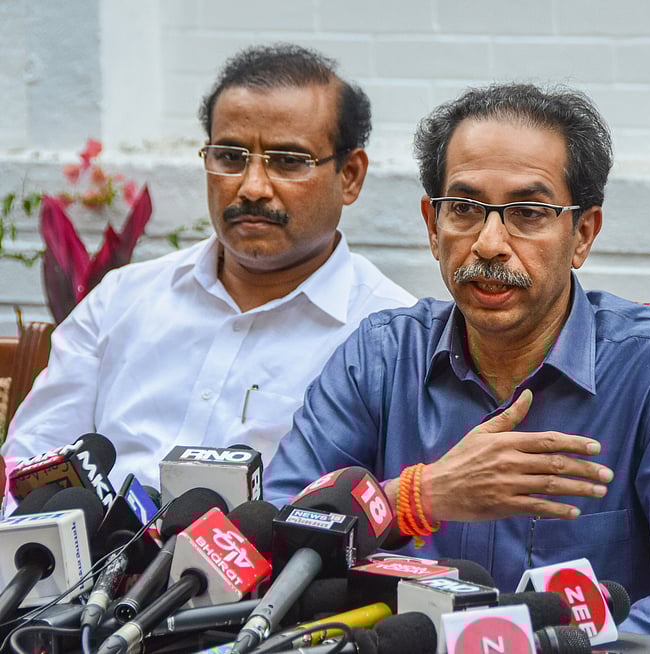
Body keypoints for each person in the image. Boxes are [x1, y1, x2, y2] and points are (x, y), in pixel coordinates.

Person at [264, 82, 650, 644]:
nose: (490, 243)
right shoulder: (380, 356)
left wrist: (516, 643)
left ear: (583, 235)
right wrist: (416, 499)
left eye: (528, 212)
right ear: (433, 225)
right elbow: (274, 541)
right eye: (466, 210)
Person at [1, 44, 414, 491]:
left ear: (350, 175)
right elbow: (28, 469)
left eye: (289, 161)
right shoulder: (122, 300)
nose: (252, 187)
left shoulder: (390, 338)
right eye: (230, 157)